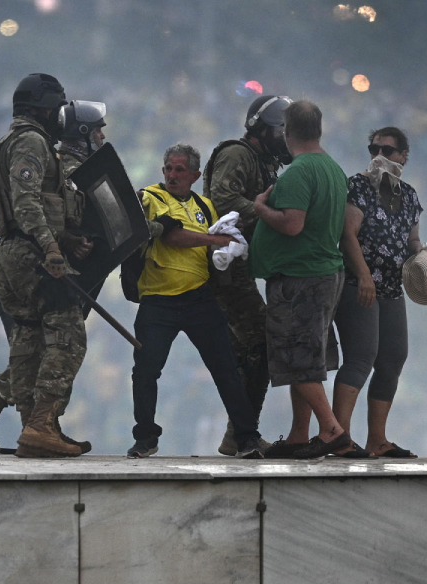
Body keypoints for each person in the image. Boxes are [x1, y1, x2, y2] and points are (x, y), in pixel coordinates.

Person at [0, 96, 101, 455]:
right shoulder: (50, 154)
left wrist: (62, 238)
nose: (102, 137)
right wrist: (54, 247)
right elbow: (33, 206)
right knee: (68, 337)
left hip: (10, 253)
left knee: (30, 340)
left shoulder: (9, 146)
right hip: (34, 254)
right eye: (98, 130)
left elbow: (47, 212)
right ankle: (40, 425)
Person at [127, 143, 265, 460]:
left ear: (195, 174)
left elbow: (219, 236)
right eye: (168, 169)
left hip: (198, 297)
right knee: (146, 371)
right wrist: (216, 240)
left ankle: (247, 437)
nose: (172, 175)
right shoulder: (151, 197)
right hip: (158, 299)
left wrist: (230, 244)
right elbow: (171, 237)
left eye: (179, 170)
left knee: (226, 368)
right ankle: (145, 438)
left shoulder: (205, 206)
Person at [249, 100, 369, 460]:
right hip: (324, 272)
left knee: (296, 357)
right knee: (304, 357)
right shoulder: (332, 168)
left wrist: (260, 209)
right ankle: (299, 434)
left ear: (287, 133)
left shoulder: (299, 172)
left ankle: (331, 430)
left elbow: (292, 223)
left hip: (300, 276)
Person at [203, 95, 292, 456]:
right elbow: (222, 200)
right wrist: (266, 212)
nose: (286, 137)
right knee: (259, 343)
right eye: (281, 129)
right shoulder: (237, 155)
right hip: (225, 267)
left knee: (253, 350)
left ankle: (240, 433)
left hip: (240, 267)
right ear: (262, 128)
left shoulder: (263, 161)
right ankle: (242, 434)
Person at [332, 127, 424, 458]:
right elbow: (348, 234)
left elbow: (411, 239)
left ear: (403, 156)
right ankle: (338, 436)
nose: (379, 155)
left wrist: (422, 255)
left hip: (390, 286)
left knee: (392, 357)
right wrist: (364, 274)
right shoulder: (359, 186)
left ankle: (377, 440)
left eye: (388, 150)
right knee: (361, 356)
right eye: (374, 149)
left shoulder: (410, 196)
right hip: (360, 284)